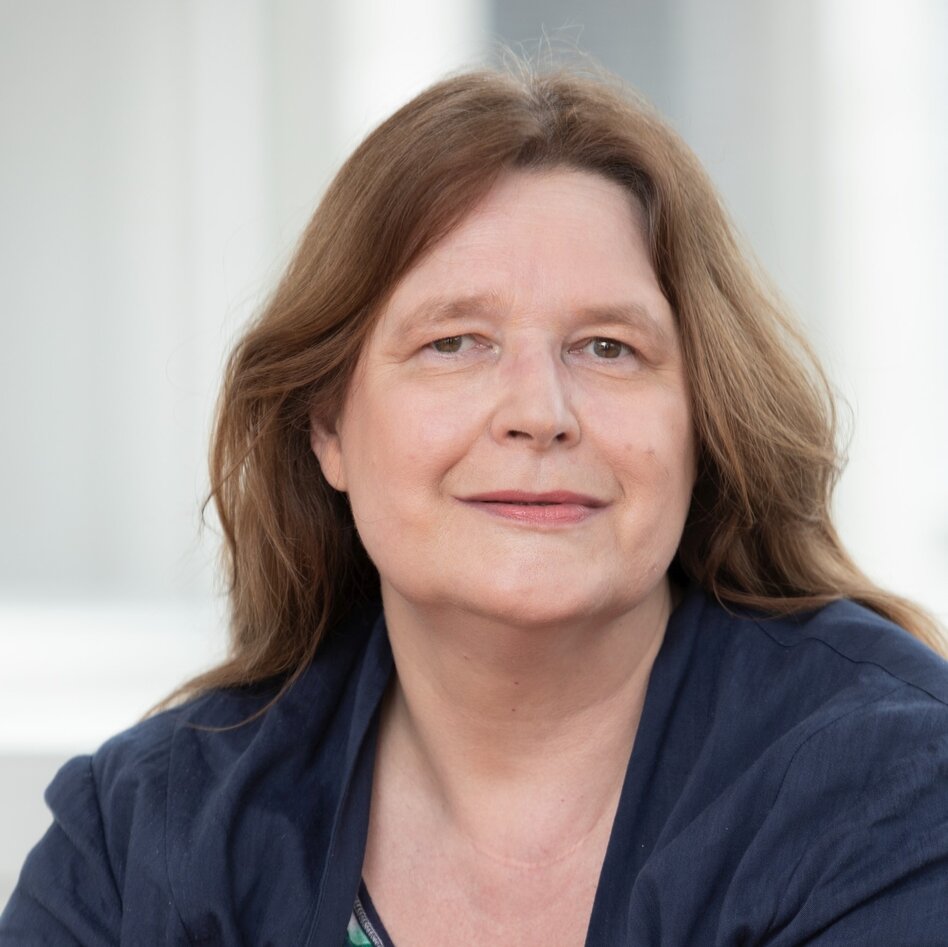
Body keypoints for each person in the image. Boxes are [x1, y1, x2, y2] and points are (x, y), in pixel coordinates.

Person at [2, 62, 947, 947]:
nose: (540, 412)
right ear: (328, 426)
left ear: (705, 419)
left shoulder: (895, 787)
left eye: (609, 347)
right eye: (454, 343)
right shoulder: (139, 835)